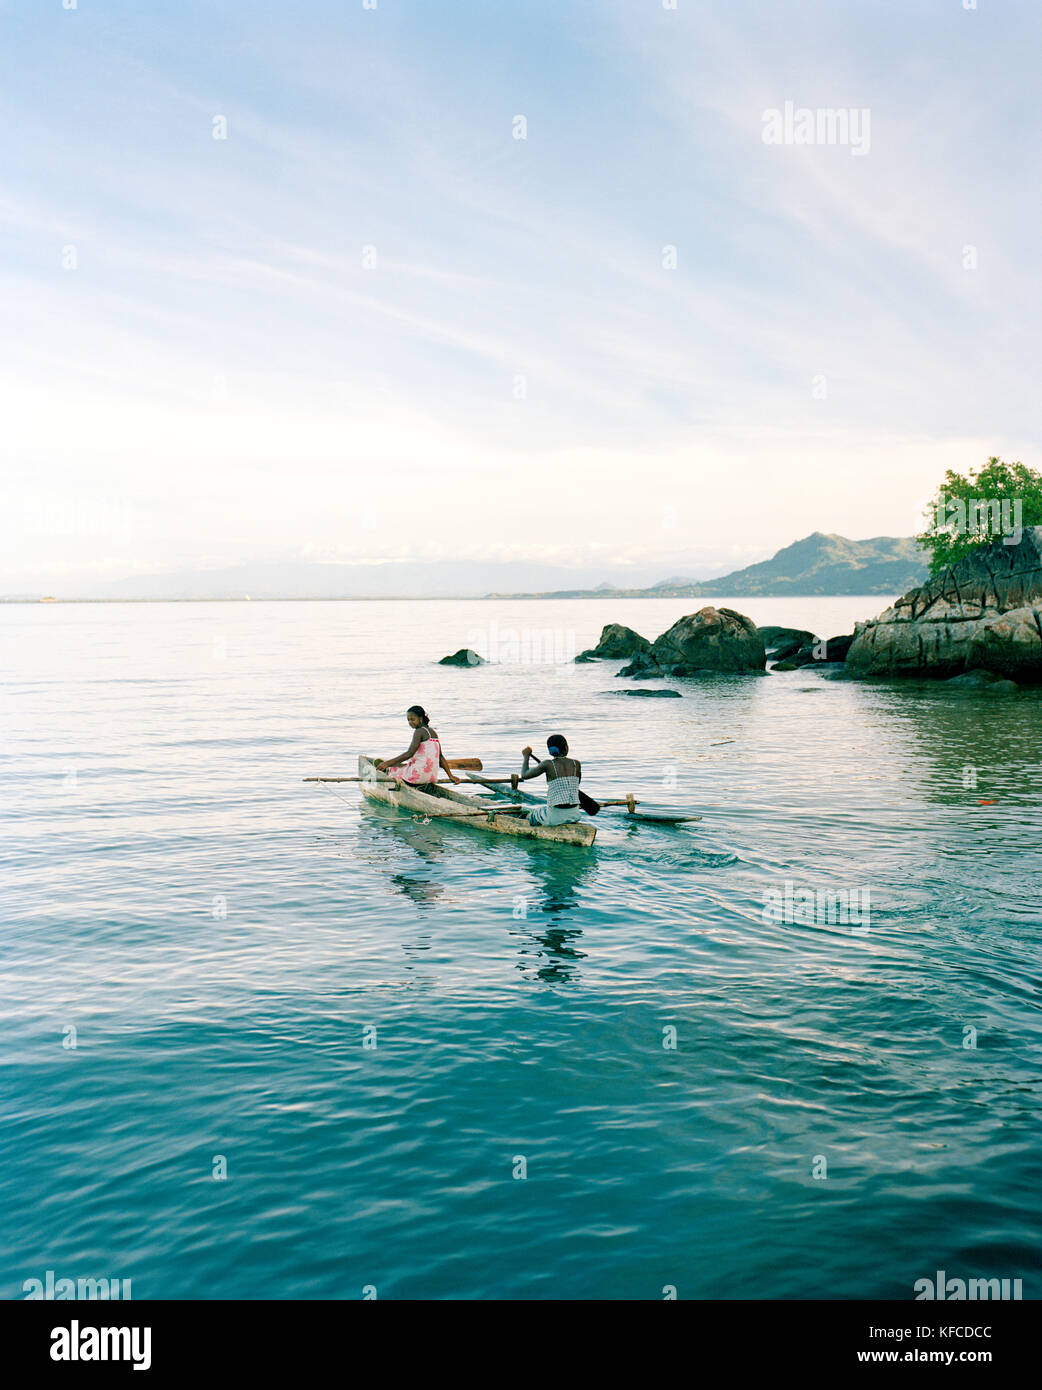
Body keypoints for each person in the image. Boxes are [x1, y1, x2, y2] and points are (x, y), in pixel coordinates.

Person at [374, 706, 460, 789]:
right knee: (402, 765)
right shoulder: (433, 732)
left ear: (420, 718)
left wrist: (387, 764)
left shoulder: (419, 732)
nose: (410, 722)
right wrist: (450, 775)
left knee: (393, 769)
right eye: (408, 720)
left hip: (417, 776)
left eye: (412, 719)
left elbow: (409, 754)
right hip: (431, 777)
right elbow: (440, 757)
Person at [518, 735, 584, 826]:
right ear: (566, 747)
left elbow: (524, 775)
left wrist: (526, 756)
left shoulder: (547, 764)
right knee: (544, 810)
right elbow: (577, 783)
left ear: (550, 751)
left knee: (532, 814)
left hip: (554, 818)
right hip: (575, 814)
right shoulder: (576, 764)